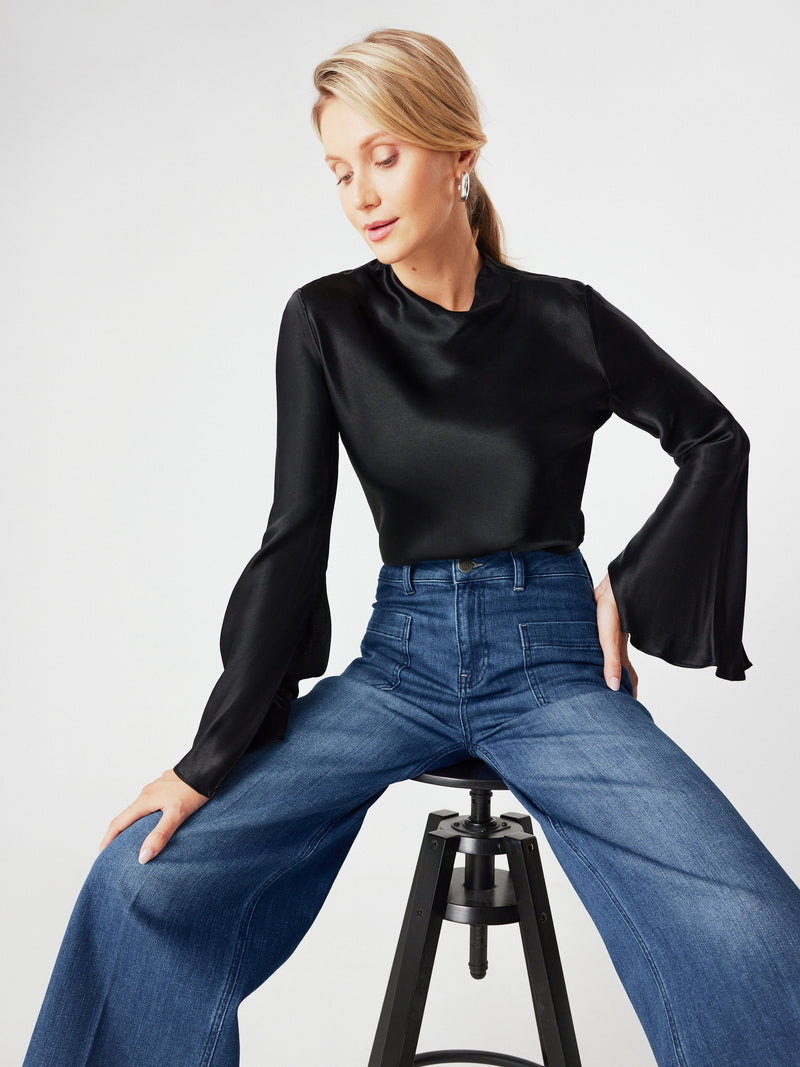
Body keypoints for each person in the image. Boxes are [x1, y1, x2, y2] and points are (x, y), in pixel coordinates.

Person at [23, 26, 800, 1067]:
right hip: (398, 665)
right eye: (339, 171)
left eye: (382, 157)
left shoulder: (565, 318)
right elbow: (293, 535)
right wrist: (207, 758)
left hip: (550, 664)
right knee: (138, 878)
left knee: (756, 927)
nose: (360, 194)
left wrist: (630, 582)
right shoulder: (326, 320)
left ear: (458, 153)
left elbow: (713, 439)